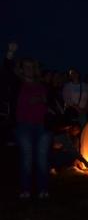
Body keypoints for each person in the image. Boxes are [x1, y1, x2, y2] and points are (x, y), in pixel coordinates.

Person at [14, 55, 52, 199]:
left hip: (42, 126)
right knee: (27, 158)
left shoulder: (42, 85)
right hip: (24, 125)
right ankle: (25, 190)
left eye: (32, 67)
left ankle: (43, 189)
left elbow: (49, 103)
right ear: (22, 69)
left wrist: (44, 102)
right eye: (26, 67)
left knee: (42, 158)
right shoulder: (17, 84)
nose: (29, 69)